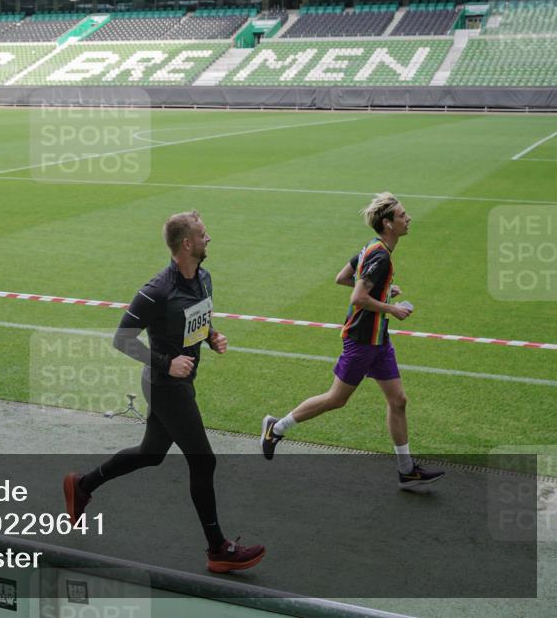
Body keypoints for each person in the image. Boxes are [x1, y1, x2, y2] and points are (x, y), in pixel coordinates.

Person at [63, 210, 265, 573]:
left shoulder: (203, 278)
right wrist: (166, 363)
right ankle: (218, 549)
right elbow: (121, 339)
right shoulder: (156, 291)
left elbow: (198, 319)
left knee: (150, 453)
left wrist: (211, 336)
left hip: (181, 383)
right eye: (203, 235)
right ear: (187, 244)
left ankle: (82, 484)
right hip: (164, 385)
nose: (208, 239)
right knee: (203, 461)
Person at [260, 192, 442, 490]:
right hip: (361, 340)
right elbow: (356, 296)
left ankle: (407, 470)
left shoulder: (372, 247)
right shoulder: (381, 255)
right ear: (388, 224)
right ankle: (276, 428)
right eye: (402, 215)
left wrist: (383, 290)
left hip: (379, 339)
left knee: (398, 400)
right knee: (336, 399)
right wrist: (391, 307)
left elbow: (343, 276)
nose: (408, 218)